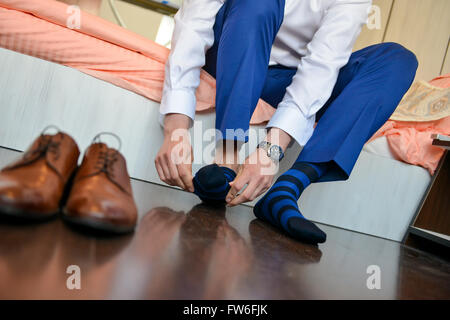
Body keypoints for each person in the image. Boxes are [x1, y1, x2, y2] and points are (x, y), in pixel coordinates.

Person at [155, 0, 418, 244]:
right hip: (229, 50)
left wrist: (271, 151)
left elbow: (322, 65)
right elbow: (193, 25)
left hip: (288, 78)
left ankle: (287, 188)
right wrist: (175, 127)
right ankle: (227, 158)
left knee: (397, 60)